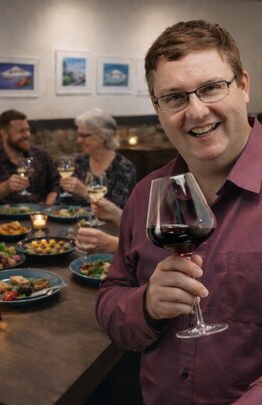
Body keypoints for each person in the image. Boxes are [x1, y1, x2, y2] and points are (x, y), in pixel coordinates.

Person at [96, 20, 262, 404]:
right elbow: (110, 300)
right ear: (157, 108)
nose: (197, 111)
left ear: (243, 85)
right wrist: (146, 305)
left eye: (211, 88)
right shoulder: (145, 196)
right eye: (174, 97)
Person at [0, 109, 60, 212]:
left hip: (38, 218)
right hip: (3, 224)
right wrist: (5, 187)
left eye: (27, 130)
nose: (27, 135)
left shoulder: (41, 156)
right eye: (21, 131)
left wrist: (47, 206)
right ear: (4, 133)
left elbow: (56, 184)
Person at [59, 108, 136, 208]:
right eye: (79, 135)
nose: (79, 140)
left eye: (84, 136)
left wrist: (85, 192)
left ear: (102, 137)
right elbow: (62, 202)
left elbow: (117, 210)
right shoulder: (79, 162)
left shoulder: (124, 168)